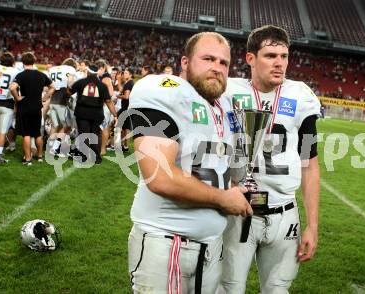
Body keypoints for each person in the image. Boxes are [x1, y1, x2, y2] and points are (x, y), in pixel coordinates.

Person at [127, 32, 253, 294]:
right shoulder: (163, 91)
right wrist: (221, 198)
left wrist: (232, 189)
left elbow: (217, 168)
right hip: (167, 243)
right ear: (185, 62)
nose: (216, 68)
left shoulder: (226, 107)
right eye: (208, 59)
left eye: (223, 63)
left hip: (210, 248)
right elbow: (159, 177)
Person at [221, 25, 321, 293]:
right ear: (250, 58)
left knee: (277, 289)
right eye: (270, 56)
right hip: (238, 211)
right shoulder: (227, 91)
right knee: (229, 288)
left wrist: (312, 226)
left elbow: (309, 163)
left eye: (284, 56)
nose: (279, 63)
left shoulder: (300, 96)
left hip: (284, 215)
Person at [9, 52, 55, 165]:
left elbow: (12, 87)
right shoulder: (41, 74)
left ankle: (28, 159)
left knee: (26, 134)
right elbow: (53, 87)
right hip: (37, 107)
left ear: (23, 62)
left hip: (24, 106)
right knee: (37, 134)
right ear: (34, 61)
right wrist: (45, 98)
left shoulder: (21, 75)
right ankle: (39, 157)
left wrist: (17, 98)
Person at [68, 63, 117, 164]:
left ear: (88, 71)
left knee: (84, 135)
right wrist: (115, 115)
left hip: (82, 113)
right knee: (95, 135)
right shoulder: (102, 86)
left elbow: (69, 92)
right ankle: (97, 158)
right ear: (96, 73)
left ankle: (83, 157)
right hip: (97, 114)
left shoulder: (81, 82)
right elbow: (108, 101)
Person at [0, 52, 19, 163]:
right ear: (12, 62)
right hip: (7, 103)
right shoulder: (15, 71)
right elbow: (16, 88)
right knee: (2, 132)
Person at [47, 58, 78, 157]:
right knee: (66, 126)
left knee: (55, 125)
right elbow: (70, 83)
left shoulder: (53, 69)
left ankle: (50, 147)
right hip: (62, 101)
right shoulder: (70, 70)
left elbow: (49, 86)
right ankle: (56, 148)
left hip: (53, 100)